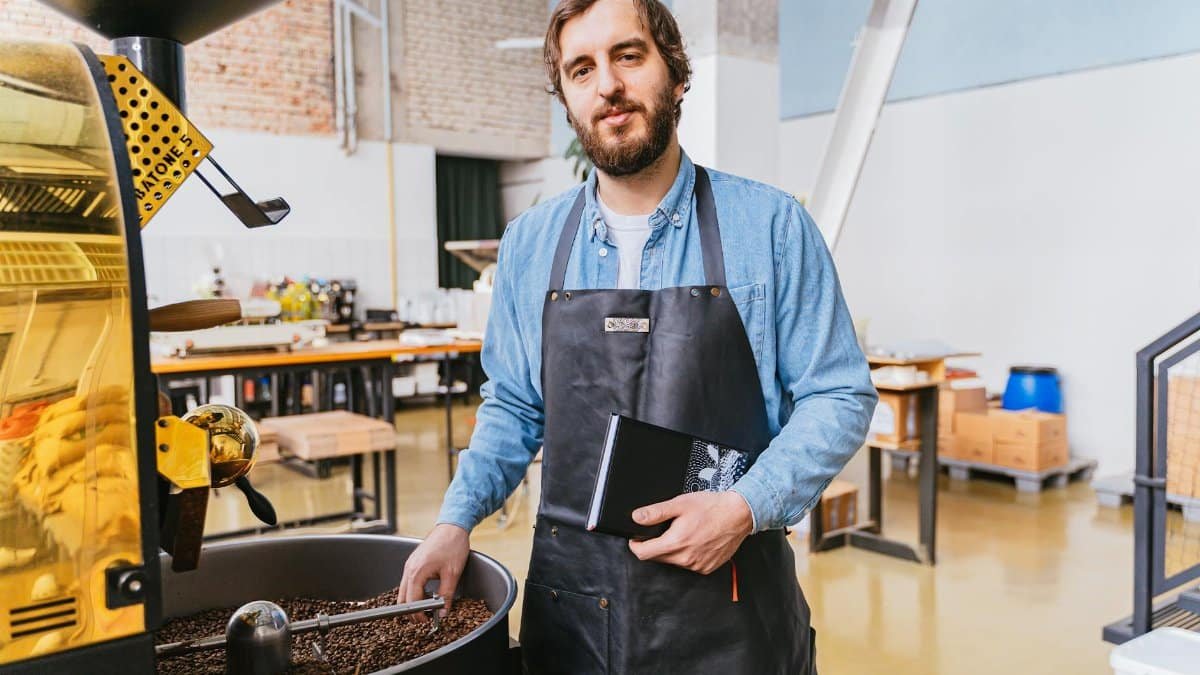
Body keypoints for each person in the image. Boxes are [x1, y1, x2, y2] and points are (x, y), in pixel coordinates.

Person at [398, 0, 877, 672]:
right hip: (574, 619)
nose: (608, 86)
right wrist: (455, 520)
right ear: (565, 97)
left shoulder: (770, 228)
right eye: (581, 68)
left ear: (676, 74)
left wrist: (744, 505)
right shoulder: (530, 246)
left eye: (629, 55)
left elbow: (839, 394)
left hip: (733, 617)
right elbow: (513, 405)